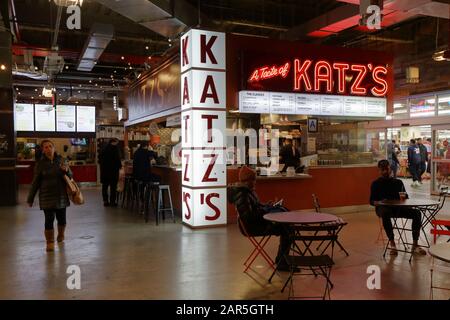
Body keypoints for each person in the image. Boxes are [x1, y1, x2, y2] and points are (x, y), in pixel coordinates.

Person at [227, 166, 291, 271]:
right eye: (254, 180)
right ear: (248, 181)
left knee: (285, 226)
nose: (255, 182)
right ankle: (282, 262)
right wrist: (267, 211)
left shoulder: (246, 191)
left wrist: (268, 206)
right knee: (287, 230)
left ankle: (282, 261)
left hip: (255, 224)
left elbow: (255, 208)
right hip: (252, 227)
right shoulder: (243, 195)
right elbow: (250, 217)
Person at [370, 160, 426, 255]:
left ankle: (415, 244)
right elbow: (371, 201)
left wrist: (403, 198)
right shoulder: (375, 184)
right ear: (379, 170)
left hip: (398, 208)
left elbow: (405, 197)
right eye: (382, 170)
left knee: (416, 213)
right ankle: (392, 243)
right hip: (383, 209)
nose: (385, 172)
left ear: (390, 169)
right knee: (385, 213)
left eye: (386, 169)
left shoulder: (398, 182)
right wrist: (378, 202)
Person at [27, 140, 72, 252]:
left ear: (54, 148)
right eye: (46, 147)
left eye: (50, 146)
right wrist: (30, 198)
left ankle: (61, 235)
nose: (48, 149)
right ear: (43, 150)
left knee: (62, 219)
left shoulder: (61, 160)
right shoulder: (40, 164)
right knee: (49, 219)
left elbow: (71, 175)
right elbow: (35, 182)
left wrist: (66, 170)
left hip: (61, 195)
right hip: (46, 196)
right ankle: (50, 242)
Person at [99, 138, 122, 206]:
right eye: (117, 142)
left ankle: (105, 201)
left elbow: (99, 159)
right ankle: (112, 202)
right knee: (113, 187)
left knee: (105, 186)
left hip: (104, 171)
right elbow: (117, 159)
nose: (117, 144)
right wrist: (120, 166)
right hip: (113, 171)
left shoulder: (104, 148)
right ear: (114, 142)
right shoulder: (115, 149)